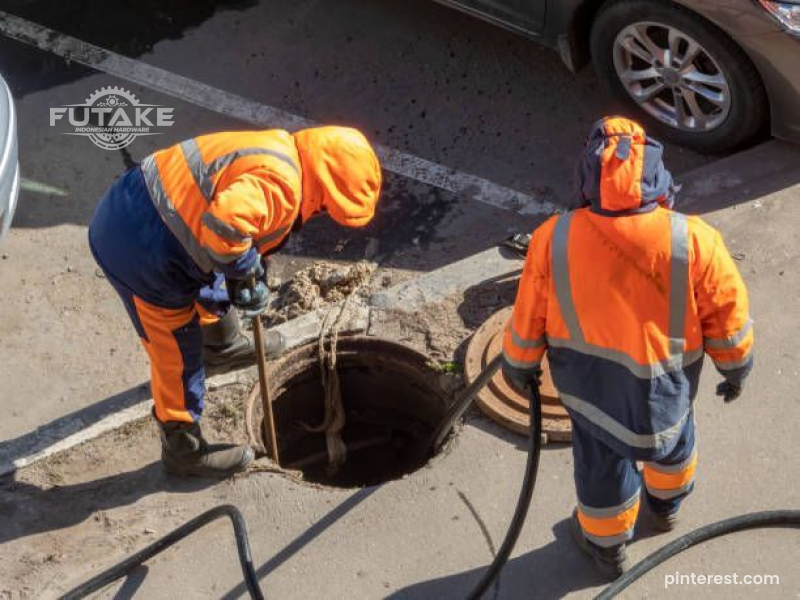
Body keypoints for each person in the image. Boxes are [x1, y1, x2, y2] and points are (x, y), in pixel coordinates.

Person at [502, 117, 752, 579]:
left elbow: (529, 312)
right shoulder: (692, 238)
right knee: (674, 445)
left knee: (602, 470)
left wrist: (518, 365)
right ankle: (666, 507)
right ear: (658, 176)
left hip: (589, 390)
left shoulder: (553, 237)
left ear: (586, 178)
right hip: (667, 388)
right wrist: (736, 368)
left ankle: (607, 550)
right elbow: (727, 312)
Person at [89, 126, 382, 478]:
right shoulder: (284, 186)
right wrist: (244, 271)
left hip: (144, 208)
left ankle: (223, 347)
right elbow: (226, 226)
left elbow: (231, 225)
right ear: (323, 184)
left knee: (212, 277)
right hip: (141, 247)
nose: (321, 212)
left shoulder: (279, 147)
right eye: (326, 206)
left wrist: (247, 271)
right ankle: (183, 449)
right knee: (176, 352)